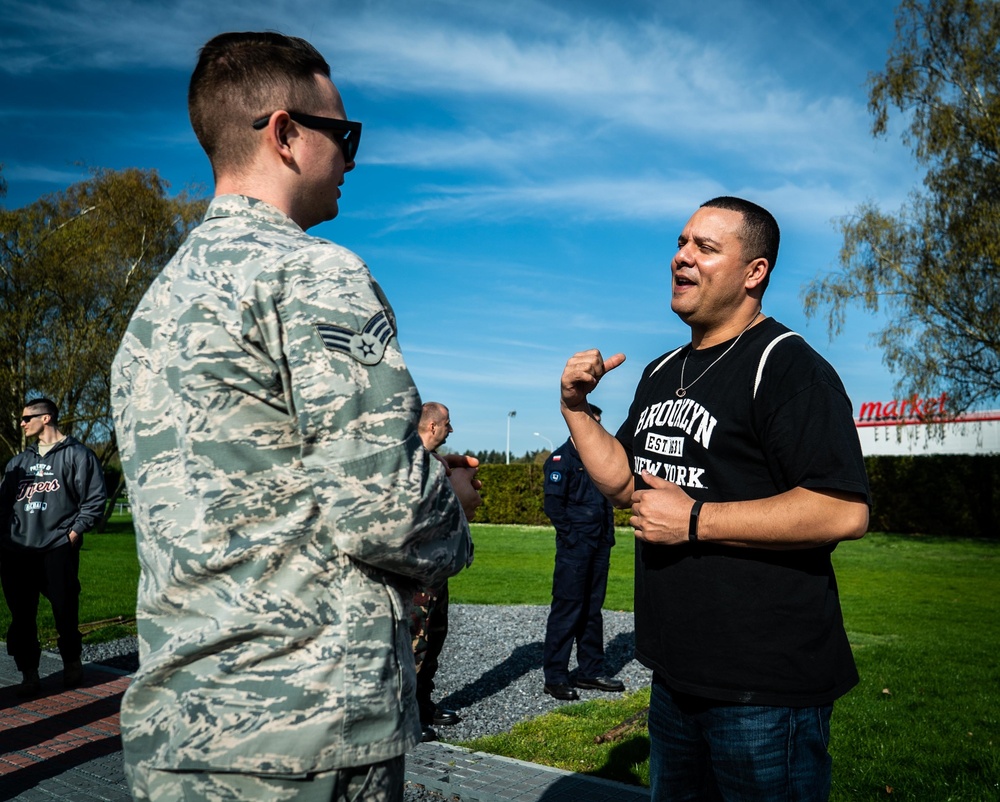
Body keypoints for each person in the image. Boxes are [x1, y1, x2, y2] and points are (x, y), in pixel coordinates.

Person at [110, 32, 479, 802]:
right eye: (342, 135)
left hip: (180, 728)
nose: (351, 157)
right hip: (306, 724)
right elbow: (389, 512)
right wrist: (454, 509)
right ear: (284, 133)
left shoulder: (157, 305)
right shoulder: (314, 271)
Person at [558, 196, 870, 801]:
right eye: (680, 243)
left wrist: (696, 520)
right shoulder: (663, 369)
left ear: (754, 272)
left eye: (705, 247)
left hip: (763, 689)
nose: (681, 257)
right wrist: (576, 410)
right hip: (676, 674)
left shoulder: (788, 368)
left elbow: (843, 509)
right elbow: (626, 485)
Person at [0, 398, 107, 697]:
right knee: (21, 617)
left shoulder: (78, 455)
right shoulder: (18, 462)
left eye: (26, 418)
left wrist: (73, 533)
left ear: (45, 418)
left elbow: (95, 500)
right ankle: (29, 674)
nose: (21, 423)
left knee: (64, 609)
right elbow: (2, 504)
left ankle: (72, 662)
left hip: (57, 547)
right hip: (17, 551)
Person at [541, 404, 624, 701]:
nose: (597, 426)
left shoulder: (598, 462)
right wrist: (573, 539)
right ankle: (556, 677)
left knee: (592, 610)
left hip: (599, 544)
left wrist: (608, 537)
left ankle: (590, 671)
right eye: (592, 421)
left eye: (599, 420)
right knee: (567, 610)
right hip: (575, 548)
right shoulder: (561, 461)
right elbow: (553, 507)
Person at [409, 402, 462, 742]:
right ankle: (406, 716)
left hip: (436, 571)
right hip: (415, 572)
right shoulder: (409, 463)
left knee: (433, 638)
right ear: (432, 427)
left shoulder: (432, 463)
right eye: (447, 424)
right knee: (414, 643)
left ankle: (423, 704)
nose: (450, 430)